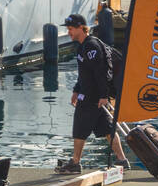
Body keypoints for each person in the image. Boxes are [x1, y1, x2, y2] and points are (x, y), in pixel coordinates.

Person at [55, 13, 128, 174]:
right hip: (92, 95)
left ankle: (75, 162)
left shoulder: (92, 46)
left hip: (92, 97)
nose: (69, 32)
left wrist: (103, 96)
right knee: (106, 129)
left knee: (79, 129)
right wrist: (76, 89)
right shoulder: (83, 46)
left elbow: (100, 72)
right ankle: (122, 159)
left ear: (82, 28)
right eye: (68, 29)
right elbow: (85, 74)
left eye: (71, 29)